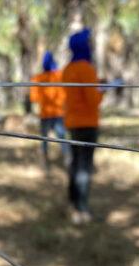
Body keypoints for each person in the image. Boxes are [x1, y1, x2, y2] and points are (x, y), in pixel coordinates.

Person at [62, 28, 103, 224]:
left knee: (75, 163)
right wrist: (103, 90)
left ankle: (72, 203)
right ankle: (82, 209)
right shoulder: (86, 68)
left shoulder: (68, 69)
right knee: (84, 167)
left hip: (73, 123)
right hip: (88, 123)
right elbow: (93, 100)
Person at [30, 51, 69, 167]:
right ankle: (68, 161)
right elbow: (67, 94)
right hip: (59, 114)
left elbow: (34, 98)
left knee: (44, 140)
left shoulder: (37, 79)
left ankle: (45, 164)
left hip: (45, 114)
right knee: (62, 139)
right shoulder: (61, 75)